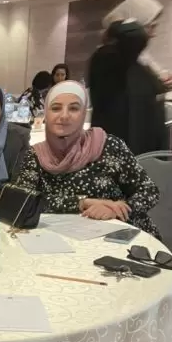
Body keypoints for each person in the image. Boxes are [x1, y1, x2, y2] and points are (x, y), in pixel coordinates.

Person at [14, 81, 160, 236]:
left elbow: (148, 190)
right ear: (46, 114)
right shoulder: (36, 155)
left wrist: (118, 210)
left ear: (84, 114)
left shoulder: (108, 146)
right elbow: (23, 201)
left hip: (122, 235)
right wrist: (82, 203)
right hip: (63, 237)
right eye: (56, 108)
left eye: (74, 108)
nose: (64, 116)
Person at [88, 19, 168, 156]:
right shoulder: (111, 62)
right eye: (151, 27)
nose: (153, 33)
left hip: (116, 149)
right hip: (134, 152)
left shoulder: (110, 63)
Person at [102, 0, 172, 92]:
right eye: (151, 26)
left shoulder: (139, 56)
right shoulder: (113, 61)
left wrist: (164, 80)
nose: (154, 34)